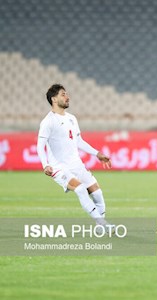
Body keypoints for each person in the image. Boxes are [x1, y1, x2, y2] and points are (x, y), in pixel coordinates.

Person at [37, 84, 113, 231]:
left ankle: (100, 225)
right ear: (54, 99)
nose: (67, 97)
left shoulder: (72, 118)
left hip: (76, 164)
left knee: (97, 192)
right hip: (59, 167)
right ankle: (104, 225)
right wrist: (45, 164)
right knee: (80, 189)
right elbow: (40, 145)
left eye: (67, 94)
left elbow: (78, 141)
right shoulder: (48, 121)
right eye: (63, 94)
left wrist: (97, 153)